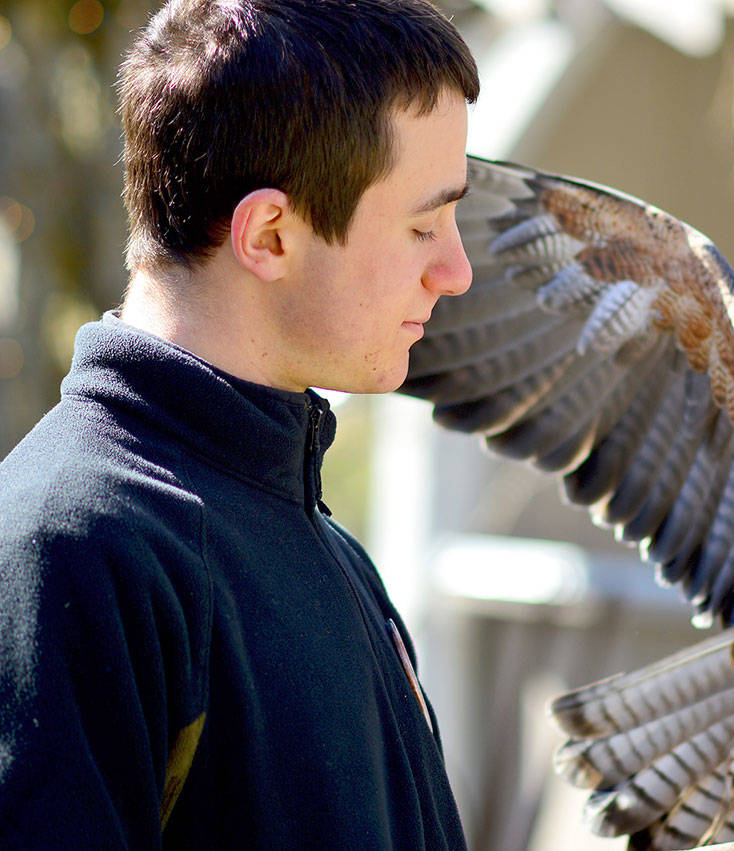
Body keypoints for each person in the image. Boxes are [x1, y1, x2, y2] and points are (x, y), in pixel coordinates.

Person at [0, 0, 478, 846]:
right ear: (269, 234)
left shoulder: (324, 546)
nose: (457, 269)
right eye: (423, 225)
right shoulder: (69, 548)